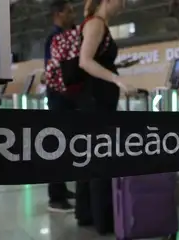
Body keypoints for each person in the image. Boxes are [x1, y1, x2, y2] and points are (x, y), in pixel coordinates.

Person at [74, 0, 137, 235]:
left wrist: (115, 68)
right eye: (120, 0)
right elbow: (85, 61)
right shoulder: (96, 24)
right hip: (96, 103)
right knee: (101, 158)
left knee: (89, 158)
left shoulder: (96, 24)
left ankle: (87, 214)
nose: (123, 4)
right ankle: (104, 220)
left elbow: (95, 60)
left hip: (94, 101)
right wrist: (117, 80)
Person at [44, 0, 76, 213]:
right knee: (57, 146)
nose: (72, 14)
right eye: (69, 11)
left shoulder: (63, 36)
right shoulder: (54, 38)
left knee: (65, 146)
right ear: (58, 13)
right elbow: (54, 71)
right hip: (58, 98)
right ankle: (55, 196)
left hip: (64, 98)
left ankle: (61, 188)